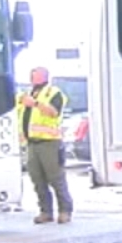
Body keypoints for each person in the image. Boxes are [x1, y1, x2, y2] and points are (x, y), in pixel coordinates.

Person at [16, 66, 73, 224]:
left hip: (49, 143)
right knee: (37, 179)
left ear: (44, 76)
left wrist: (35, 104)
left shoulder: (53, 93)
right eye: (32, 75)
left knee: (56, 179)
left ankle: (65, 210)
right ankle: (45, 211)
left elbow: (53, 112)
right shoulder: (26, 94)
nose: (32, 78)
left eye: (36, 75)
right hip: (31, 144)